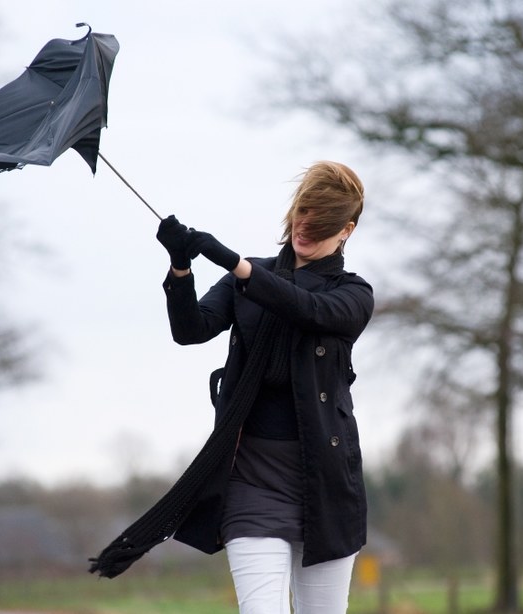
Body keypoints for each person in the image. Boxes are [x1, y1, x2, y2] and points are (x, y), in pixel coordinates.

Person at [154, 160, 374, 614]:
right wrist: (181, 268)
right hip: (252, 481)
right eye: (303, 214)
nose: (306, 228)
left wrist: (237, 265)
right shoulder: (248, 278)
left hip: (325, 486)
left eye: (323, 223)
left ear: (347, 230)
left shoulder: (352, 295)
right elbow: (191, 329)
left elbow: (308, 309)